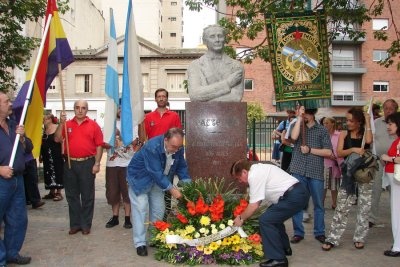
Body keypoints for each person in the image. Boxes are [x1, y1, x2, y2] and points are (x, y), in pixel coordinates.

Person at [231, 160, 309, 267]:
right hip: (296, 193)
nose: (240, 181)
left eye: (238, 178)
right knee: (272, 218)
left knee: (266, 220)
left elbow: (254, 205)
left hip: (293, 195)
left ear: (244, 172)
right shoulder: (258, 169)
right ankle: (284, 248)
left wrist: (240, 218)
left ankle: (278, 259)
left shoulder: (254, 175)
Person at [126, 127, 191, 257]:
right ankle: (140, 243)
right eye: (174, 147)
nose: (176, 150)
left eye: (179, 147)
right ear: (165, 140)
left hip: (159, 181)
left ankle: (154, 238)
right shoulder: (152, 147)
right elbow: (155, 172)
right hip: (140, 180)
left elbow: (181, 166)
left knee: (158, 210)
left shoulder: (177, 146)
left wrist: (188, 185)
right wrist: (173, 191)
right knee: (141, 209)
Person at [322, 107, 373, 251]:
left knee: (364, 207)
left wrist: (368, 121)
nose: (348, 123)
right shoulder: (344, 134)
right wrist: (353, 150)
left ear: (358, 122)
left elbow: (369, 140)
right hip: (348, 175)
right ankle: (333, 238)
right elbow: (339, 152)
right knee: (342, 206)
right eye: (347, 120)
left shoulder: (364, 134)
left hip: (364, 174)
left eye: (351, 120)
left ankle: (360, 237)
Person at [55, 100, 103, 235]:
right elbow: (57, 139)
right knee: (72, 195)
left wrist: (97, 163)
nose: (80, 110)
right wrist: (61, 123)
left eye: (83, 108)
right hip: (70, 163)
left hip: (87, 163)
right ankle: (75, 224)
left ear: (87, 110)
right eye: (77, 108)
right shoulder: (67, 124)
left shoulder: (94, 125)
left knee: (87, 195)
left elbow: (99, 145)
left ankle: (86, 224)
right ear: (74, 109)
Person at [289, 106, 332, 244]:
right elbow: (293, 137)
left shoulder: (322, 130)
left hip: (315, 172)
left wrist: (310, 150)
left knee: (319, 204)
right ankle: (298, 233)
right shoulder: (297, 126)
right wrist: (299, 118)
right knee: (297, 203)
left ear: (312, 114)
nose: (303, 116)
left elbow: (328, 152)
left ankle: (319, 232)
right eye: (302, 113)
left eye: (306, 114)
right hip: (298, 170)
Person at [0, 91, 31, 265]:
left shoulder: (14, 125)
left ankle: (12, 252)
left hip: (18, 181)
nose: (10, 104)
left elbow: (28, 149)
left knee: (18, 219)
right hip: (1, 181)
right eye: (6, 102)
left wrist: (23, 137)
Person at [143, 88, 182, 218]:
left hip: (169, 156)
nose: (161, 98)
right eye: (159, 96)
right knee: (154, 184)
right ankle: (155, 214)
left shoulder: (174, 116)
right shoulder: (148, 117)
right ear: (155, 99)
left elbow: (178, 135)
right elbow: (145, 138)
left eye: (163, 96)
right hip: (154, 157)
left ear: (167, 98)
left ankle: (165, 216)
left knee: (167, 185)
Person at [187, 24, 244, 102]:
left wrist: (206, 100)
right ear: (204, 41)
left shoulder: (236, 66)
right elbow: (195, 95)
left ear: (225, 39)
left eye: (220, 36)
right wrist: (228, 83)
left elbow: (236, 97)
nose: (217, 40)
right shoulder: (195, 65)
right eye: (212, 36)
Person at [104, 108, 140, 229]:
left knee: (127, 192)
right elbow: (103, 143)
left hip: (128, 163)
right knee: (113, 191)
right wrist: (110, 142)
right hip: (112, 163)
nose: (120, 110)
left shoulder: (132, 123)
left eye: (122, 106)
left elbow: (135, 141)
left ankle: (127, 218)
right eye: (118, 107)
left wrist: (121, 134)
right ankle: (114, 217)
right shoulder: (109, 123)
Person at [369, 99, 398, 228]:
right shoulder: (376, 122)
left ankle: (396, 217)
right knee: (375, 190)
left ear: (396, 109)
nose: (388, 110)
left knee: (395, 191)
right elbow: (371, 140)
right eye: (386, 108)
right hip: (379, 162)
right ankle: (372, 218)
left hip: (395, 164)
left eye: (391, 108)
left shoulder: (398, 123)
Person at [379, 112, 400, 257]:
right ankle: (397, 242)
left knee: (397, 212)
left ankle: (398, 246)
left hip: (397, 180)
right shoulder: (396, 141)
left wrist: (389, 158)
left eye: (391, 123)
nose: (388, 126)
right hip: (394, 180)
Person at [40, 112, 64, 201]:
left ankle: (59, 192)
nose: (44, 121)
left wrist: (62, 153)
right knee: (48, 172)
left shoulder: (56, 127)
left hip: (56, 154)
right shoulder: (44, 129)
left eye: (45, 119)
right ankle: (51, 191)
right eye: (43, 119)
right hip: (46, 155)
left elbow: (61, 140)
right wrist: (40, 155)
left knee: (57, 171)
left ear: (50, 119)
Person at [322, 117, 343, 210]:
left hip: (335, 163)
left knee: (334, 185)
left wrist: (336, 156)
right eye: (324, 123)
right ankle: (320, 203)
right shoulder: (322, 134)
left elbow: (341, 147)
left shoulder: (339, 135)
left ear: (332, 123)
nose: (325, 125)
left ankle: (334, 203)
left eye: (327, 123)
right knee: (323, 185)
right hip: (324, 162)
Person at [23, 136, 45, 209]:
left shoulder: (24, 137)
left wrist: (22, 138)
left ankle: (35, 201)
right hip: (18, 162)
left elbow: (29, 147)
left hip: (29, 160)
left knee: (32, 180)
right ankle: (27, 199)